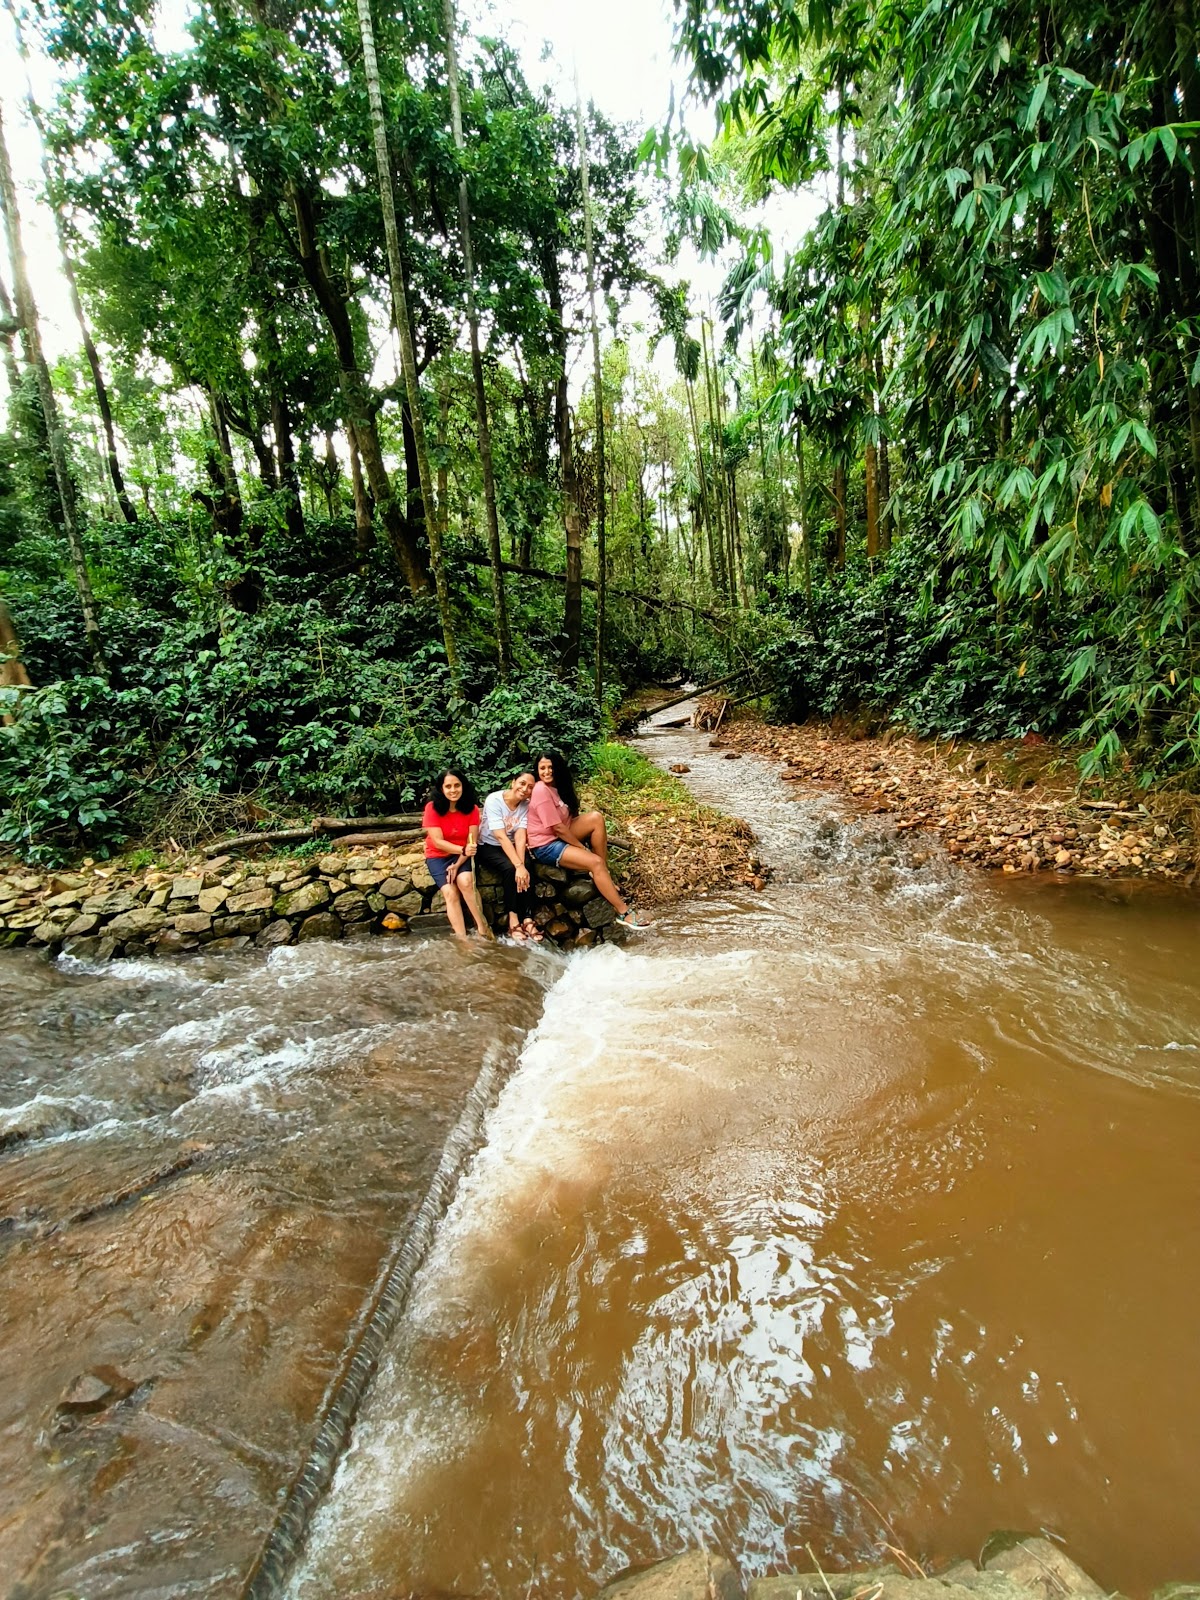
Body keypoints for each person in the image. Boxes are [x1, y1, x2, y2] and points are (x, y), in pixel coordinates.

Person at [527, 750, 653, 929]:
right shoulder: (540, 789)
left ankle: (602, 874)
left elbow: (566, 821)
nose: (547, 772)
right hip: (546, 844)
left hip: (561, 833)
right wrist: (581, 848)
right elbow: (557, 828)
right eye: (542, 768)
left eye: (550, 767)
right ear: (537, 770)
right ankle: (623, 912)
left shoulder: (558, 786)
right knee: (595, 862)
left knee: (596, 818)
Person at [421, 769, 492, 940]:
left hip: (462, 855)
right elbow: (437, 842)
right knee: (450, 893)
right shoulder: (432, 808)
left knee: (466, 882)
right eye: (448, 786)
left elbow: (471, 842)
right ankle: (462, 939)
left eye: (457, 785)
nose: (453, 790)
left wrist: (458, 863)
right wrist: (461, 850)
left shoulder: (472, 809)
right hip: (438, 855)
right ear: (441, 789)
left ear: (463, 786)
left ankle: (482, 928)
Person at [477, 770, 543, 945]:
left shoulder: (526, 805)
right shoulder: (494, 800)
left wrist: (521, 865)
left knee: (527, 866)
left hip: (511, 845)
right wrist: (517, 866)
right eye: (522, 783)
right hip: (488, 845)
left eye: (530, 787)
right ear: (513, 782)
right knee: (510, 868)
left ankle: (527, 918)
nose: (525, 789)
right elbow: (500, 836)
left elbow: (520, 836)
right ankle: (513, 918)